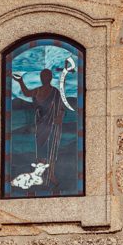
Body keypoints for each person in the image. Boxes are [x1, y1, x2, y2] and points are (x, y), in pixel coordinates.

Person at [12, 57, 77, 185]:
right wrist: (20, 81)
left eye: (46, 76)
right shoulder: (37, 90)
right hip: (41, 124)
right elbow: (26, 93)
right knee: (41, 149)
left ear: (50, 78)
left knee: (52, 148)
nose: (44, 78)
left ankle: (51, 173)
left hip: (53, 124)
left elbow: (62, 107)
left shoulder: (55, 92)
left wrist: (60, 117)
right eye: (42, 76)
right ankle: (40, 174)